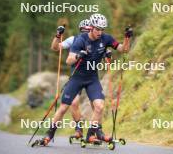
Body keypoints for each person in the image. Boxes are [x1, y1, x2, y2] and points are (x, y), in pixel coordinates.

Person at [40, 13, 132, 146]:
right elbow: (68, 60)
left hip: (92, 78)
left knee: (99, 106)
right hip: (77, 78)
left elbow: (124, 49)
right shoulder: (80, 40)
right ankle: (49, 134)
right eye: (98, 29)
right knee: (64, 107)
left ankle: (90, 134)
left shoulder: (106, 39)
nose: (100, 32)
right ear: (91, 28)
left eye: (102, 29)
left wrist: (127, 37)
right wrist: (78, 55)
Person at [50, 19, 92, 140]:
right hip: (76, 76)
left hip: (91, 76)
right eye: (83, 30)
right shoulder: (74, 39)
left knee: (96, 105)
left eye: (88, 30)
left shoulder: (96, 40)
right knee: (73, 103)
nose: (85, 32)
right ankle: (79, 130)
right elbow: (55, 47)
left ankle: (95, 131)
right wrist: (58, 35)